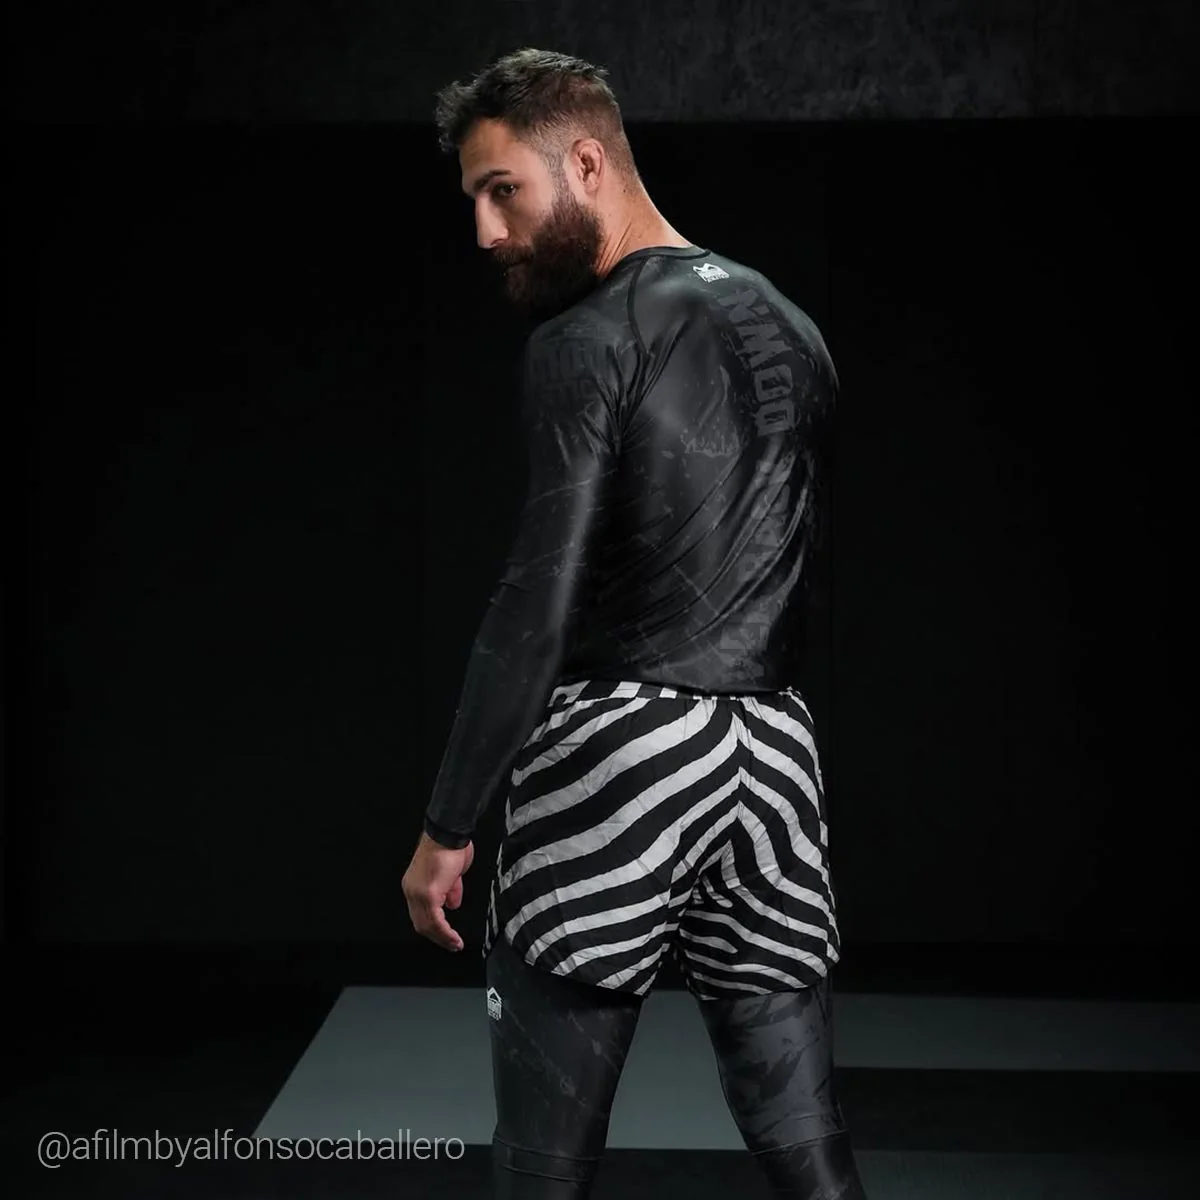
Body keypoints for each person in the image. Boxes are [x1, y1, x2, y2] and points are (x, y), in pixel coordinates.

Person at [401, 47, 869, 1200]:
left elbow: (538, 598)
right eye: (473, 201)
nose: (486, 232)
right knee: (806, 1147)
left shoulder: (588, 340)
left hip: (623, 750)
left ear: (587, 163)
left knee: (544, 1163)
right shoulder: (792, 324)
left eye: (502, 190)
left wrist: (448, 825)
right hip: (775, 754)